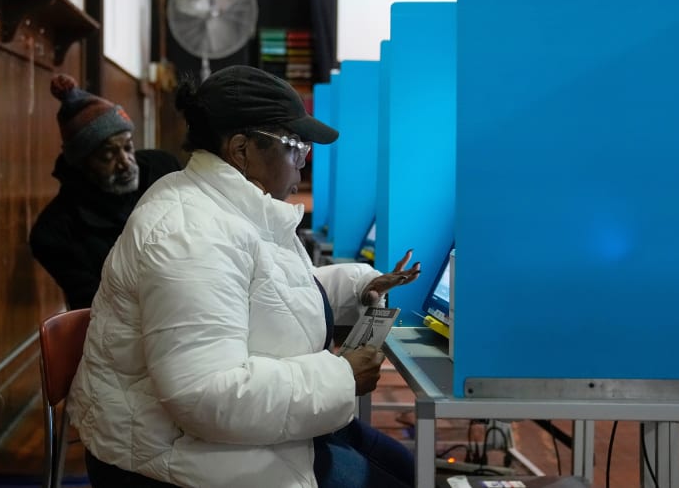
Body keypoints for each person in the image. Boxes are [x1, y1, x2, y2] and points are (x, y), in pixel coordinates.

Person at [67, 65, 422, 488]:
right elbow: (204, 394)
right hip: (170, 457)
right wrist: (340, 379)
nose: (302, 165)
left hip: (227, 438)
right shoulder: (191, 233)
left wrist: (357, 286)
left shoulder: (230, 206)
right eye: (295, 147)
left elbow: (266, 293)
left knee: (408, 469)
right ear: (241, 149)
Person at [29, 74, 181, 310]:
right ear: (82, 164)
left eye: (128, 147)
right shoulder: (55, 230)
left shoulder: (162, 170)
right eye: (108, 156)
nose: (126, 163)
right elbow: (95, 304)